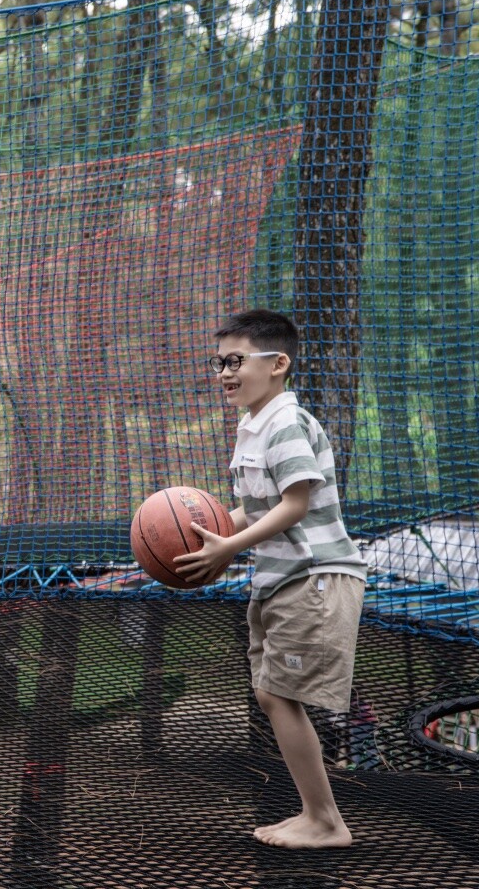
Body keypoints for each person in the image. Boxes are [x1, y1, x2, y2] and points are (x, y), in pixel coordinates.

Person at [178, 309, 369, 850]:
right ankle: (317, 813)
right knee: (271, 693)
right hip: (281, 580)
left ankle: (326, 820)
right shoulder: (253, 426)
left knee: (280, 695)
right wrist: (209, 539)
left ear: (279, 363)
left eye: (235, 361)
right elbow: (251, 508)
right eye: (218, 364)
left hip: (315, 578)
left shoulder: (286, 423)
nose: (223, 373)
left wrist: (232, 546)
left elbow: (295, 504)